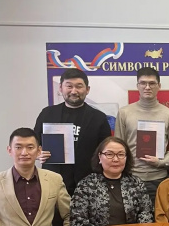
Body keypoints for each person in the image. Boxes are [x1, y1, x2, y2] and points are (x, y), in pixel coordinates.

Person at [34, 68, 112, 198]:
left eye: (79, 86)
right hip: (52, 181)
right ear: (61, 88)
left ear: (87, 89)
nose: (74, 91)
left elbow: (106, 149)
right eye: (69, 86)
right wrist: (38, 154)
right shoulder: (47, 114)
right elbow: (34, 143)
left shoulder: (99, 118)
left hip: (88, 184)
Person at [115, 67, 169, 204]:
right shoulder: (124, 113)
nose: (147, 87)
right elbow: (118, 146)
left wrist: (161, 162)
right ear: (137, 86)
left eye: (152, 83)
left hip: (159, 179)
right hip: (130, 177)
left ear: (159, 86)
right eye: (143, 83)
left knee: (158, 216)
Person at [70, 137, 153, 226]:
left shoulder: (136, 184)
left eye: (121, 154)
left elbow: (146, 215)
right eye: (109, 154)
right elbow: (78, 222)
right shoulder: (86, 185)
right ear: (100, 157)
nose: (116, 159)